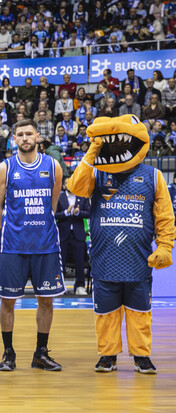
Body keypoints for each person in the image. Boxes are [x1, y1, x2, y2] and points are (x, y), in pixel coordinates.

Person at [65, 115, 174, 374]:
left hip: (138, 260)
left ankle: (141, 356)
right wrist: (91, 154)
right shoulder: (98, 174)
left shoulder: (154, 176)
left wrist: (165, 246)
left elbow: (165, 217)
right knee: (106, 314)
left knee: (139, 312)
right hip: (104, 259)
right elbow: (75, 187)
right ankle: (108, 355)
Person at [0, 119, 65, 372]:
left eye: (29, 134)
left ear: (37, 137)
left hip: (46, 245)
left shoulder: (53, 165)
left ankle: (40, 353)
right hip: (14, 246)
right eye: (20, 134)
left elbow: (52, 205)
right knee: (7, 301)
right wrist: (12, 227)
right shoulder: (5, 168)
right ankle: (8, 353)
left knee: (46, 300)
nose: (24, 138)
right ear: (14, 139)